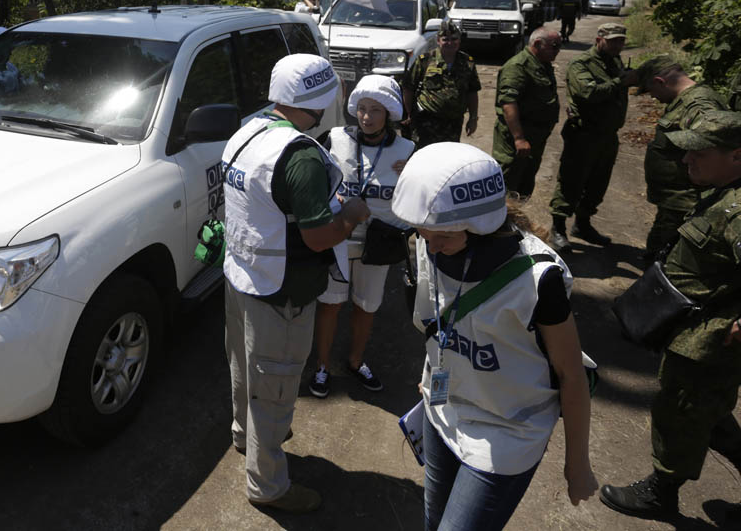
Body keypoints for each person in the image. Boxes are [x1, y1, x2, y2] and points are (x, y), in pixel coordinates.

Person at [393, 142, 597, 530]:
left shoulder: (537, 281)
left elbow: (572, 375)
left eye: (444, 237)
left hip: (507, 432)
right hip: (444, 412)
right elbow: (435, 321)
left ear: (481, 226)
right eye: (422, 233)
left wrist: (577, 464)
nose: (430, 247)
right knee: (433, 522)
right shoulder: (431, 242)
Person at [222, 53, 371, 513]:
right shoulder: (301, 156)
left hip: (241, 279)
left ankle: (244, 438)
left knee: (245, 370)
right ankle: (268, 486)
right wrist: (350, 216)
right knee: (276, 390)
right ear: (323, 100)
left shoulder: (248, 132)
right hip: (281, 294)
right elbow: (318, 234)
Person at [600, 110, 741, 521]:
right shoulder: (722, 189)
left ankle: (661, 492)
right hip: (691, 325)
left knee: (679, 410)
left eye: (699, 153)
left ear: (736, 155)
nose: (686, 161)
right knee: (708, 409)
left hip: (707, 340)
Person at [309, 75, 415, 398]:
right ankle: (322, 366)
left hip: (379, 246)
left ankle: (356, 361)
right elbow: (316, 180)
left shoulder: (407, 150)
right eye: (363, 109)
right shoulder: (335, 138)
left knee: (366, 307)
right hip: (338, 239)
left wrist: (409, 171)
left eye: (376, 111)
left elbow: (416, 198)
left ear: (390, 114)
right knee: (329, 306)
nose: (367, 117)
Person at [549, 23, 639, 251]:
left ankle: (583, 224)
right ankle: (558, 227)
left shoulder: (615, 61)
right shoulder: (582, 64)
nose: (618, 45)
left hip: (608, 134)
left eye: (621, 41)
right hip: (584, 134)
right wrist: (622, 82)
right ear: (599, 39)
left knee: (598, 183)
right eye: (612, 41)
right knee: (571, 181)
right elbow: (588, 93)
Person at [636, 55, 728, 262]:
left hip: (686, 201)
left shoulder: (698, 105)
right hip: (676, 199)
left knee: (668, 258)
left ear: (660, 82)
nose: (653, 97)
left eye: (651, 91)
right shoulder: (687, 101)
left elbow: (712, 149)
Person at [491, 26, 562, 198]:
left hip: (535, 137)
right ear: (538, 44)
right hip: (516, 139)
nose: (558, 51)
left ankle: (515, 220)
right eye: (554, 46)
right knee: (507, 183)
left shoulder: (542, 64)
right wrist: (519, 138)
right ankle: (500, 223)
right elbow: (508, 103)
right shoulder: (518, 66)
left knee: (525, 184)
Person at [401, 19, 481, 148]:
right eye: (445, 39)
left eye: (454, 39)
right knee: (423, 157)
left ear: (459, 41)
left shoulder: (467, 63)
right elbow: (408, 87)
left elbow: (472, 92)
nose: (450, 43)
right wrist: (409, 113)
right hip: (426, 122)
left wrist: (473, 118)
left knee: (448, 158)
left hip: (453, 124)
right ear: (438, 41)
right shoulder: (425, 61)